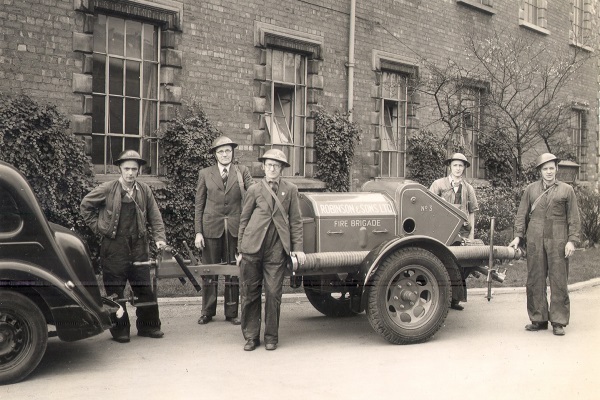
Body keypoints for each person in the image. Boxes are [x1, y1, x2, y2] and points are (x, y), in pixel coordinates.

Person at [80, 150, 167, 343]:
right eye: (126, 168)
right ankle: (120, 330)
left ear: (139, 171)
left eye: (134, 169)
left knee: (143, 287)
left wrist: (160, 238)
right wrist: (99, 227)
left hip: (138, 246)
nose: (130, 173)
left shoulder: (144, 190)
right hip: (114, 247)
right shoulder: (107, 188)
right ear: (120, 168)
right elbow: (85, 206)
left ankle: (149, 327)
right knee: (115, 290)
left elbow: (155, 217)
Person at [237, 149, 306, 351]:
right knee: (250, 292)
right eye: (269, 165)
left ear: (282, 168)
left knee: (274, 293)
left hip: (276, 249)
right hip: (252, 248)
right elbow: (244, 220)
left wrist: (297, 248)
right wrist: (240, 249)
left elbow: (296, 221)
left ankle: (271, 337)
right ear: (263, 167)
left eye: (276, 165)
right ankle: (251, 336)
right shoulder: (254, 190)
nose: (272, 168)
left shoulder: (291, 189)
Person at [509, 153, 580, 336]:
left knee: (558, 280)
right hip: (534, 237)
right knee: (535, 279)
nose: (549, 172)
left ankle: (558, 321)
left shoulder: (566, 190)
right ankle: (538, 318)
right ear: (540, 171)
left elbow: (574, 218)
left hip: (558, 238)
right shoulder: (531, 190)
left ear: (557, 169)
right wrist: (518, 237)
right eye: (545, 169)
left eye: (551, 168)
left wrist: (572, 241)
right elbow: (521, 215)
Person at [194, 136, 254, 326]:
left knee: (233, 270)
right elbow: (199, 204)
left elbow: (253, 194)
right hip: (211, 228)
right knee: (209, 270)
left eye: (228, 150)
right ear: (215, 155)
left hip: (235, 230)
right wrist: (198, 232)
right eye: (220, 151)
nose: (225, 154)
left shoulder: (242, 171)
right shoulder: (205, 173)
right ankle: (207, 311)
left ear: (232, 152)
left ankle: (231, 311)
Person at [429, 152, 479, 311]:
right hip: (442, 232)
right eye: (455, 165)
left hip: (462, 232)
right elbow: (429, 208)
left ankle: (455, 299)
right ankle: (438, 299)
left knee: (460, 265)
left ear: (464, 168)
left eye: (461, 166)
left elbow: (472, 212)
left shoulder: (468, 188)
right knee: (440, 263)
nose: (458, 169)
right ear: (449, 166)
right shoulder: (438, 184)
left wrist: (471, 234)